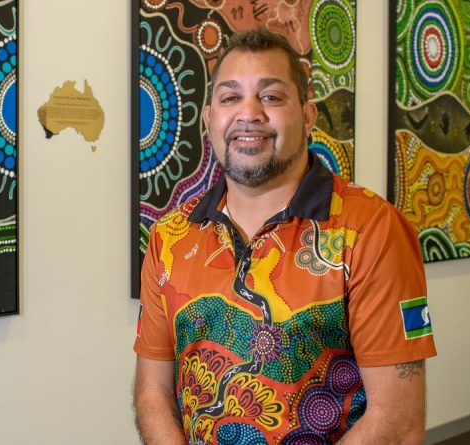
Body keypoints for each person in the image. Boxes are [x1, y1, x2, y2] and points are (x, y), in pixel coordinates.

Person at [133, 28, 436, 444]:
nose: (249, 113)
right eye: (229, 97)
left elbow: (397, 424)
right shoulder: (169, 237)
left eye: (271, 97)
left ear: (307, 116)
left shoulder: (371, 230)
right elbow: (153, 393)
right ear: (209, 120)